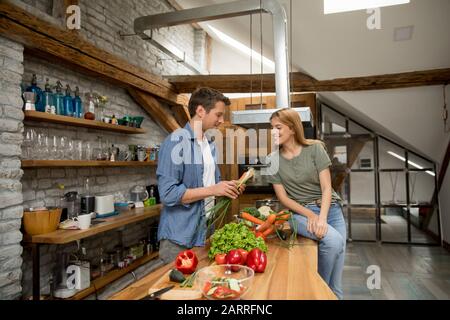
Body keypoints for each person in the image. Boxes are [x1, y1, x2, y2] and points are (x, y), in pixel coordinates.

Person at [266, 108, 346, 300]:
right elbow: (284, 199)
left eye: (278, 127)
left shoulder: (315, 149)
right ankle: (315, 291)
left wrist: (322, 218)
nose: (273, 132)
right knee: (334, 241)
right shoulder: (272, 160)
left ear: (293, 128)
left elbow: (327, 188)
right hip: (299, 214)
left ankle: (319, 292)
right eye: (271, 128)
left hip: (331, 210)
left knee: (336, 286)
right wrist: (311, 216)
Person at [156, 87, 242, 264]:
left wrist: (229, 186)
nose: (221, 120)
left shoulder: (209, 145)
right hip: (180, 239)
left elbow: (213, 183)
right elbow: (168, 194)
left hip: (204, 231)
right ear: (201, 111)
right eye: (218, 115)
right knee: (178, 290)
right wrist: (214, 189)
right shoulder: (175, 142)